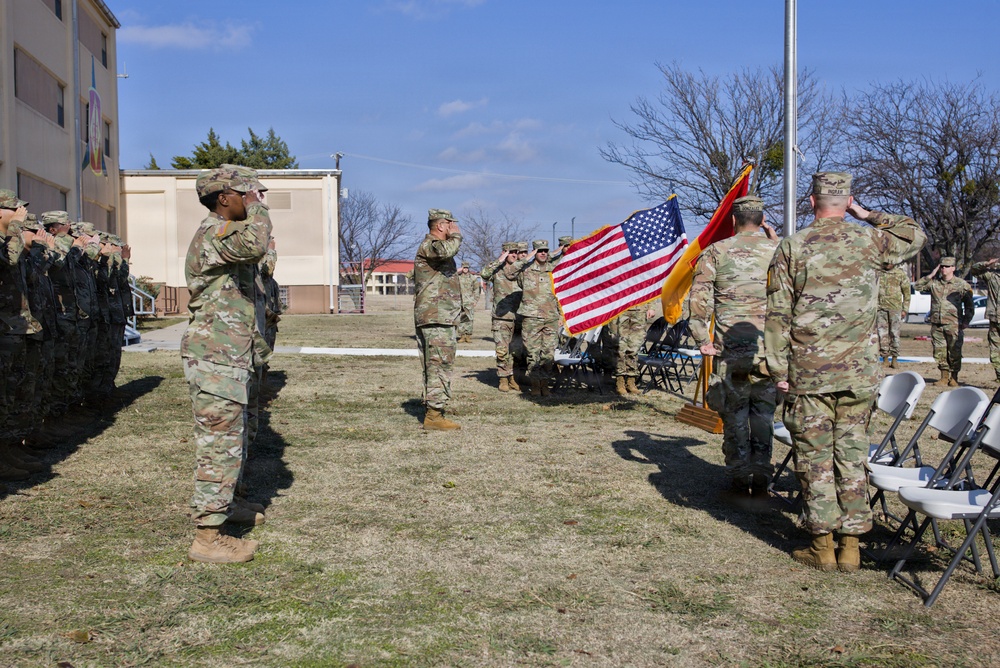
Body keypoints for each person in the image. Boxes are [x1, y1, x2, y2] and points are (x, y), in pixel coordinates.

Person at [765, 172, 925, 573]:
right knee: (852, 455)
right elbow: (914, 235)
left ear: (812, 200)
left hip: (809, 372)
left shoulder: (793, 244)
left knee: (814, 458)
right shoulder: (870, 240)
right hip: (858, 373)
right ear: (846, 199)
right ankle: (851, 547)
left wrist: (778, 368)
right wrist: (867, 214)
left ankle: (822, 547)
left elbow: (778, 313)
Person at [181, 166, 271, 563]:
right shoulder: (213, 232)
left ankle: (226, 505)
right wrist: (258, 211)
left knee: (233, 440)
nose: (256, 200)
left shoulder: (226, 233)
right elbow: (255, 244)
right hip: (215, 356)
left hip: (230, 354)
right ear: (224, 197)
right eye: (248, 193)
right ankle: (207, 538)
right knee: (219, 445)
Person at [688, 195, 779, 495]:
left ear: (733, 220)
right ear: (762, 219)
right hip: (769, 349)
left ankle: (740, 478)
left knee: (736, 414)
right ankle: (762, 478)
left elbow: (699, 297)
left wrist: (702, 338)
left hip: (730, 350)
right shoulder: (779, 251)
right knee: (763, 415)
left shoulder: (717, 251)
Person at [414, 208, 463, 430]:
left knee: (437, 364)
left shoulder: (436, 248)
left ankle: (434, 410)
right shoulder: (432, 246)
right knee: (438, 364)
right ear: (441, 225)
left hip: (440, 315)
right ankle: (434, 415)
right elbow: (446, 251)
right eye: (450, 224)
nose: (454, 228)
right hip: (435, 316)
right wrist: (457, 236)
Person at [512, 240, 562, 396]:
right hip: (531, 317)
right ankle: (535, 384)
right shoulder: (525, 270)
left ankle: (544, 384)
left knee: (548, 354)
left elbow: (560, 293)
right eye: (540, 250)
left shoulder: (554, 270)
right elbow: (510, 272)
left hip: (551, 317)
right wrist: (525, 259)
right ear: (534, 252)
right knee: (533, 353)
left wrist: (561, 315)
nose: (543, 253)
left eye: (546, 251)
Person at [913, 258, 973, 387]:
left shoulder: (962, 285)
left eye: (947, 266)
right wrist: (931, 274)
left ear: (953, 268)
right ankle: (944, 377)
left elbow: (969, 305)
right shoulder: (934, 283)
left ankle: (954, 377)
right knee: (939, 351)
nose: (943, 269)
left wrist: (966, 321)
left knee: (954, 351)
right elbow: (917, 286)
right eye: (942, 266)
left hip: (954, 323)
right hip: (937, 323)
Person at [481, 242, 522, 392]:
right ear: (505, 252)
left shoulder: (520, 270)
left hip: (518, 317)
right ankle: (503, 379)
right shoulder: (497, 270)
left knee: (516, 351)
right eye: (511, 252)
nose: (514, 255)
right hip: (501, 317)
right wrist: (500, 259)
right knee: (502, 350)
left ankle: (513, 378)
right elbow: (484, 274)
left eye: (516, 252)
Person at [607, 304, 655, 396]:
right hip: (619, 309)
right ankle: (620, 381)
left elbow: (648, 289)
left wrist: (651, 307)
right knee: (619, 347)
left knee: (634, 348)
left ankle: (631, 381)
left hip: (639, 311)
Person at [971, 256, 1000, 384]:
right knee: (994, 351)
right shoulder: (993, 277)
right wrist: (987, 263)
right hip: (995, 319)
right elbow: (974, 270)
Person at [876, 263, 910, 369]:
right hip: (880, 309)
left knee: (895, 334)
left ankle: (894, 359)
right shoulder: (878, 273)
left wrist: (905, 309)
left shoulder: (900, 274)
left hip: (895, 309)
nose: (888, 264)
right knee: (882, 334)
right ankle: (885, 359)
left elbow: (907, 293)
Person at [457, 261, 482, 343]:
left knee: (469, 319)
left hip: (469, 301)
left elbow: (476, 290)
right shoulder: (458, 277)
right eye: (464, 267)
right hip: (460, 301)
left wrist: (475, 300)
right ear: (462, 268)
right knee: (461, 319)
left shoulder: (473, 278)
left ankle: (468, 336)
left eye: (466, 268)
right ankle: (462, 336)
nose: (465, 269)